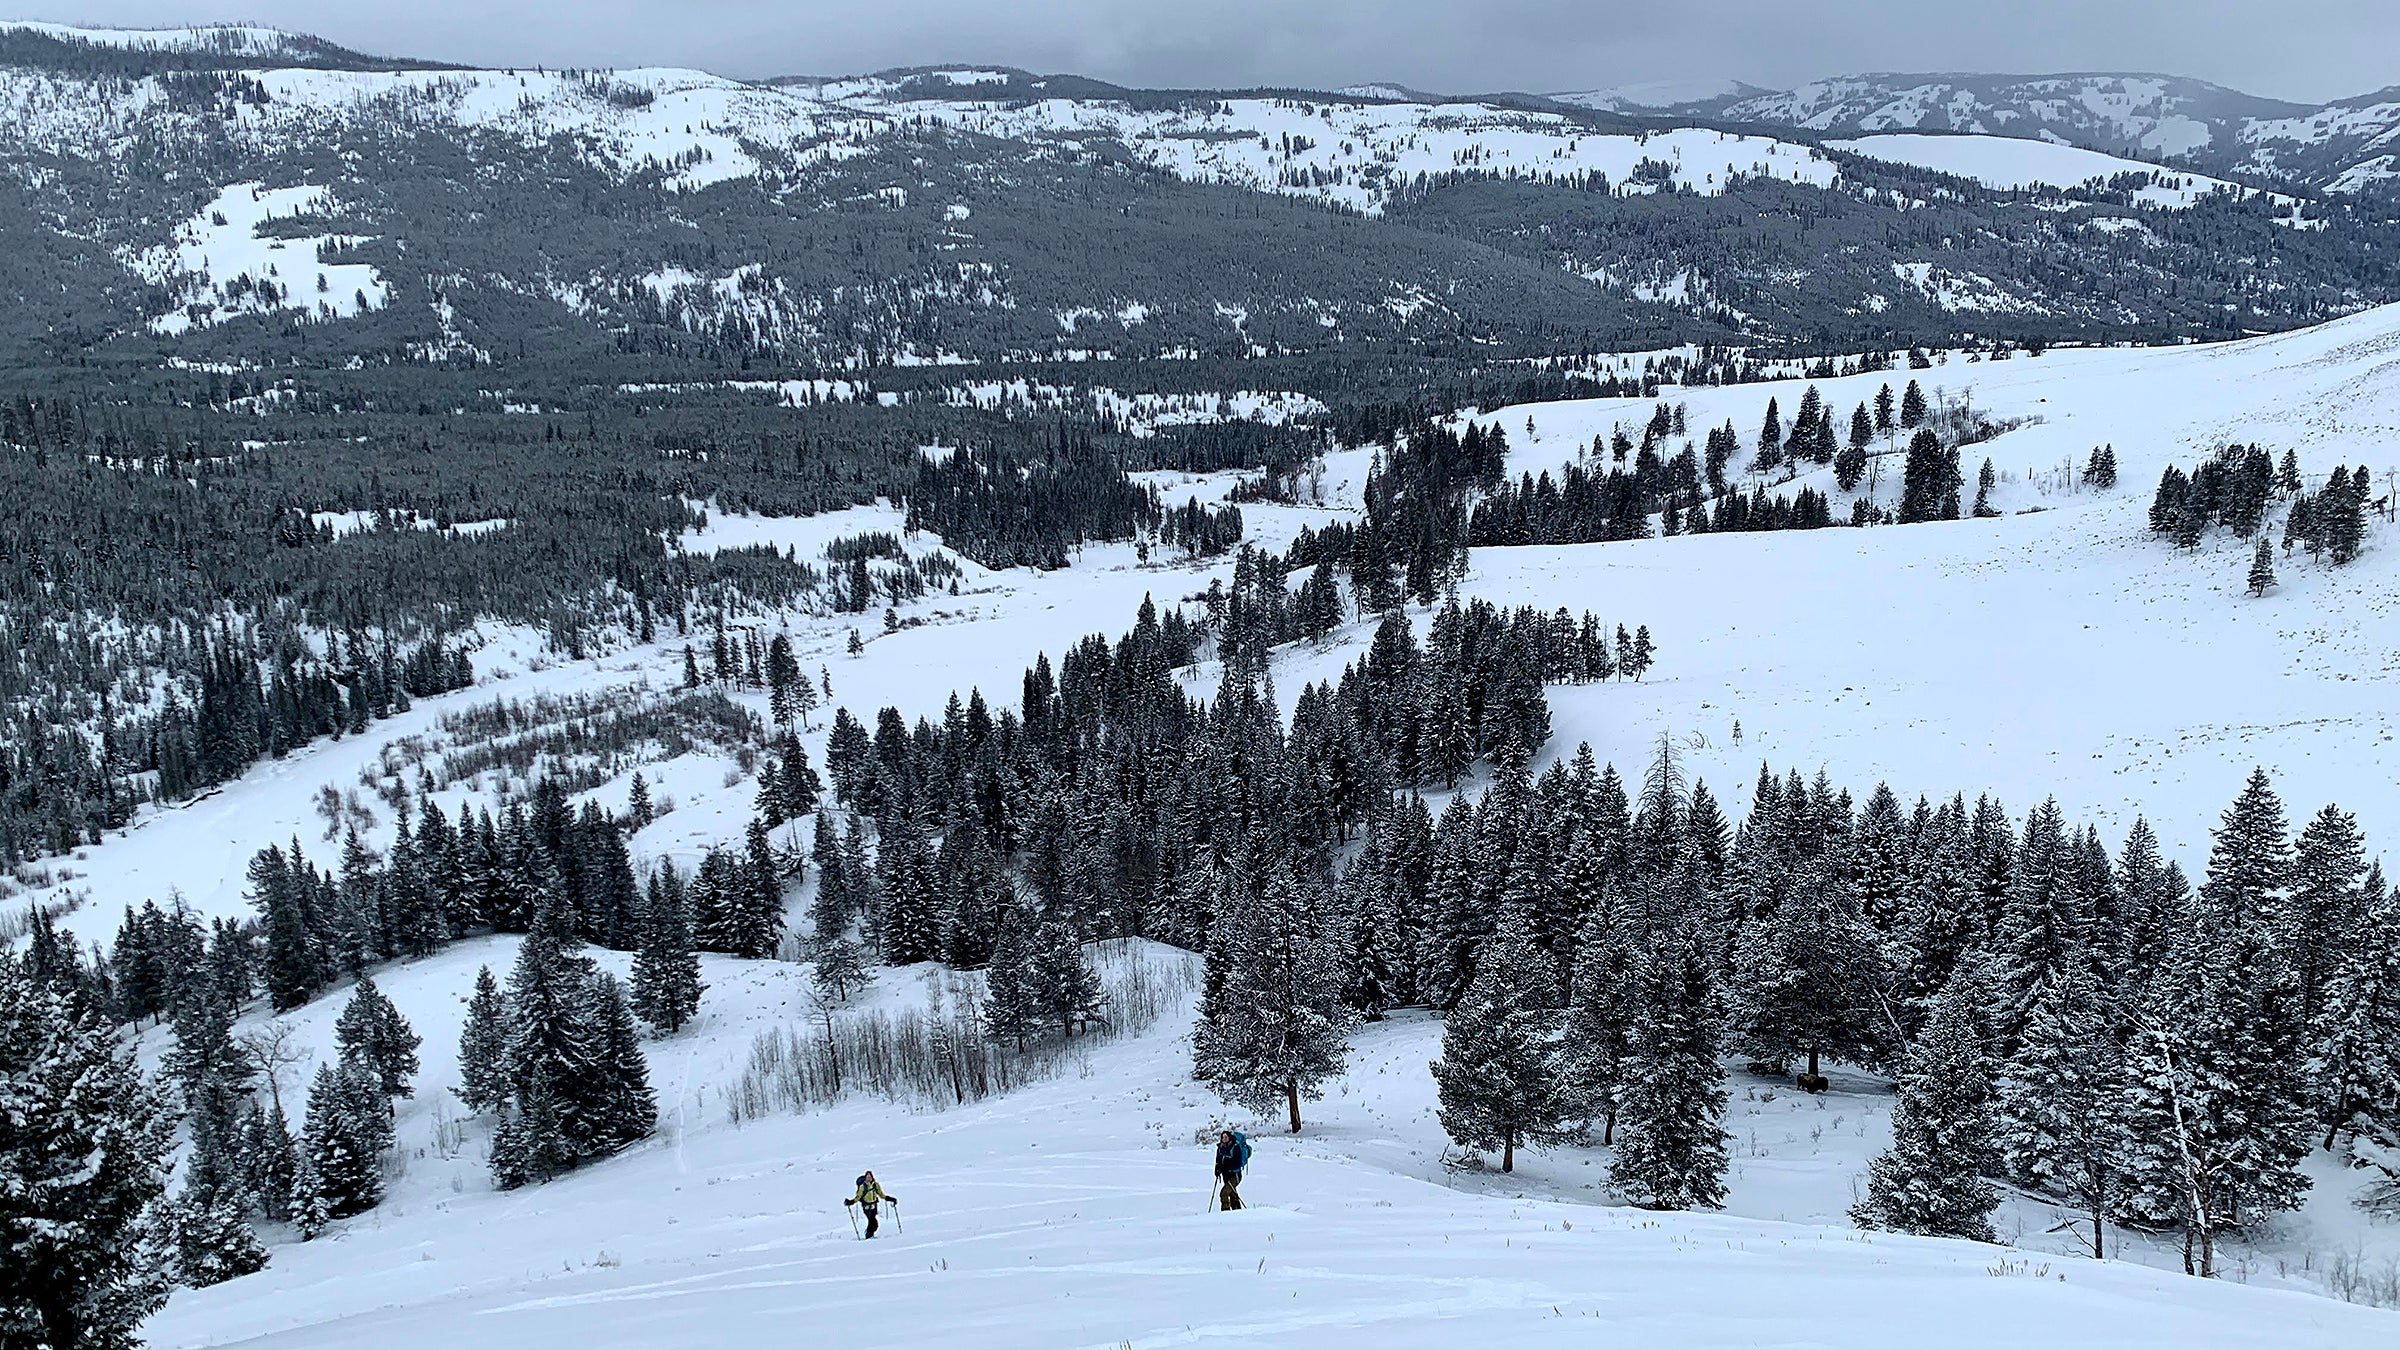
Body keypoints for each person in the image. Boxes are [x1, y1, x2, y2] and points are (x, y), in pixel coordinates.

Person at [845, 1169, 898, 1238]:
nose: (868, 1178)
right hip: (866, 1208)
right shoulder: (862, 1187)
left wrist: (891, 1199)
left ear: (872, 1177)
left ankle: (869, 1235)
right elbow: (858, 1197)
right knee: (873, 1222)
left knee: (873, 1223)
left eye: (870, 1177)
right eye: (867, 1177)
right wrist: (850, 1202)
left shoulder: (876, 1185)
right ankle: (869, 1235)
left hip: (874, 1207)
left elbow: (881, 1195)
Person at [1213, 1130, 1250, 1211]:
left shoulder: (1235, 1147)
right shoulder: (1220, 1148)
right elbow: (1218, 1161)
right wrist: (1217, 1170)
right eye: (1223, 1137)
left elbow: (1237, 1163)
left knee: (1224, 1193)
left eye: (1226, 1137)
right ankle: (1237, 1212)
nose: (1224, 1139)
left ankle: (1225, 1212)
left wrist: (1225, 1166)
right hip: (1226, 1175)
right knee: (1232, 1194)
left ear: (1229, 1137)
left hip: (1235, 1175)